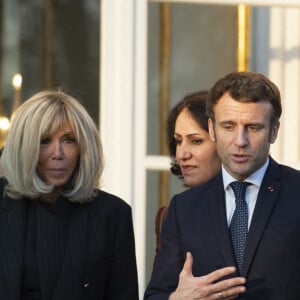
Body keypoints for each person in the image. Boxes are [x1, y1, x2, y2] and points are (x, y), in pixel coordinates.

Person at [144, 71, 300, 300]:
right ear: (212, 128)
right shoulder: (183, 209)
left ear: (274, 131)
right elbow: (156, 295)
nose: (240, 141)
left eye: (253, 128)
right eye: (228, 126)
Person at [0, 90, 139, 300]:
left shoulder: (113, 215)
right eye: (44, 141)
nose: (58, 154)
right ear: (23, 146)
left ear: (84, 147)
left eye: (69, 140)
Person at [154, 91, 221, 256]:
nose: (182, 155)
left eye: (196, 141)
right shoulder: (169, 216)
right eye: (178, 141)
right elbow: (160, 282)